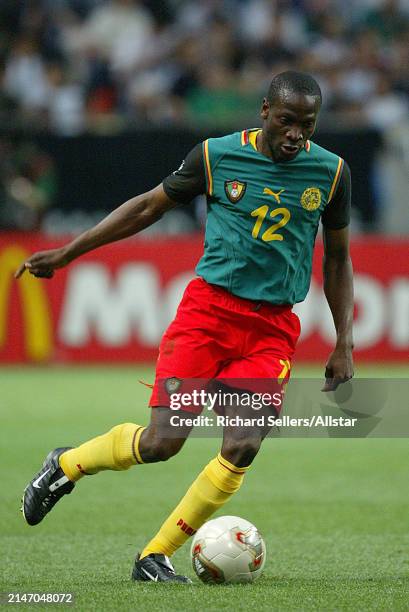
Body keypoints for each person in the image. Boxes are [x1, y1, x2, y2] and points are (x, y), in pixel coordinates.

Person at [16, 71, 354, 584]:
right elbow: (149, 206)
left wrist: (343, 341)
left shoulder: (330, 173)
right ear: (264, 111)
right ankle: (65, 464)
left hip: (272, 330)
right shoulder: (216, 157)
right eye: (286, 122)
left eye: (306, 126)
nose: (295, 135)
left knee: (243, 444)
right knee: (160, 444)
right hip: (207, 317)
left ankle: (154, 556)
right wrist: (68, 252)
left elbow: (339, 260)